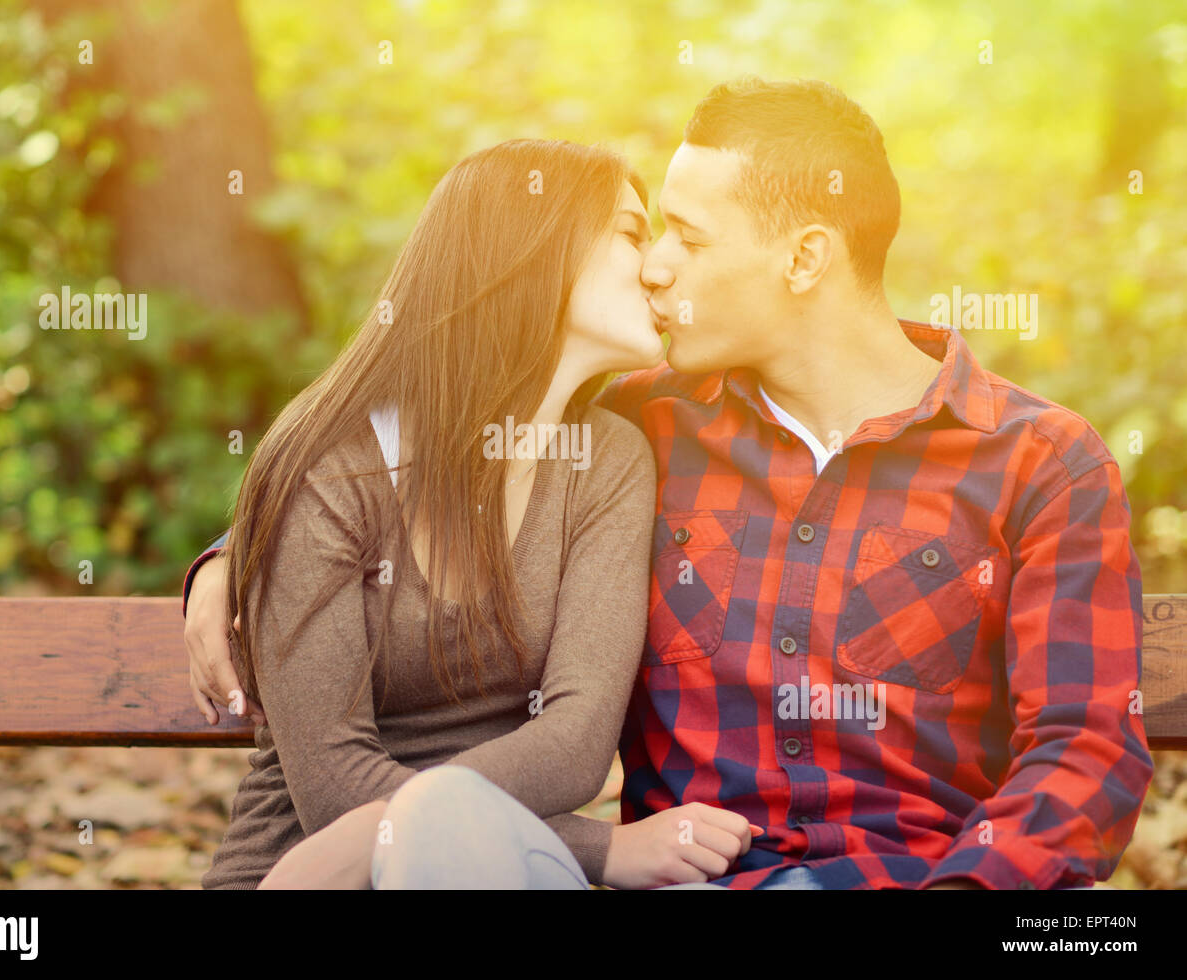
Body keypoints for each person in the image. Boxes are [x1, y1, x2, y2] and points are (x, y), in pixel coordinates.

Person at [189, 77, 1153, 890]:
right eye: (645, 235)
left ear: (806, 256)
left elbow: (1084, 754)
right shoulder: (647, 426)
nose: (655, 267)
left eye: (686, 238)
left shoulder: (1038, 463)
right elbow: (440, 426)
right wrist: (241, 556)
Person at [191, 138, 756, 890]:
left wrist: (428, 825)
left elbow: (576, 743)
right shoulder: (334, 467)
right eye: (630, 231)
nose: (656, 265)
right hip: (308, 872)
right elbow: (330, 791)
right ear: (530, 249)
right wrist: (603, 850)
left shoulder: (608, 463)